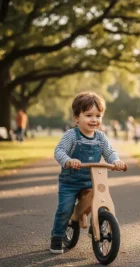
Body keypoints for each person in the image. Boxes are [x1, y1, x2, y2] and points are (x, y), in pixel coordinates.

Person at [51, 91, 126, 254]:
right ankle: (57, 237)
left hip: (91, 181)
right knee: (65, 208)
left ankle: (97, 223)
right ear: (76, 118)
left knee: (100, 199)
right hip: (70, 182)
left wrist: (116, 161)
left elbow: (109, 152)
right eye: (88, 115)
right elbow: (59, 151)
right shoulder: (71, 135)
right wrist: (68, 161)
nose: (94, 120)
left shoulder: (101, 137)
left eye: (98, 116)